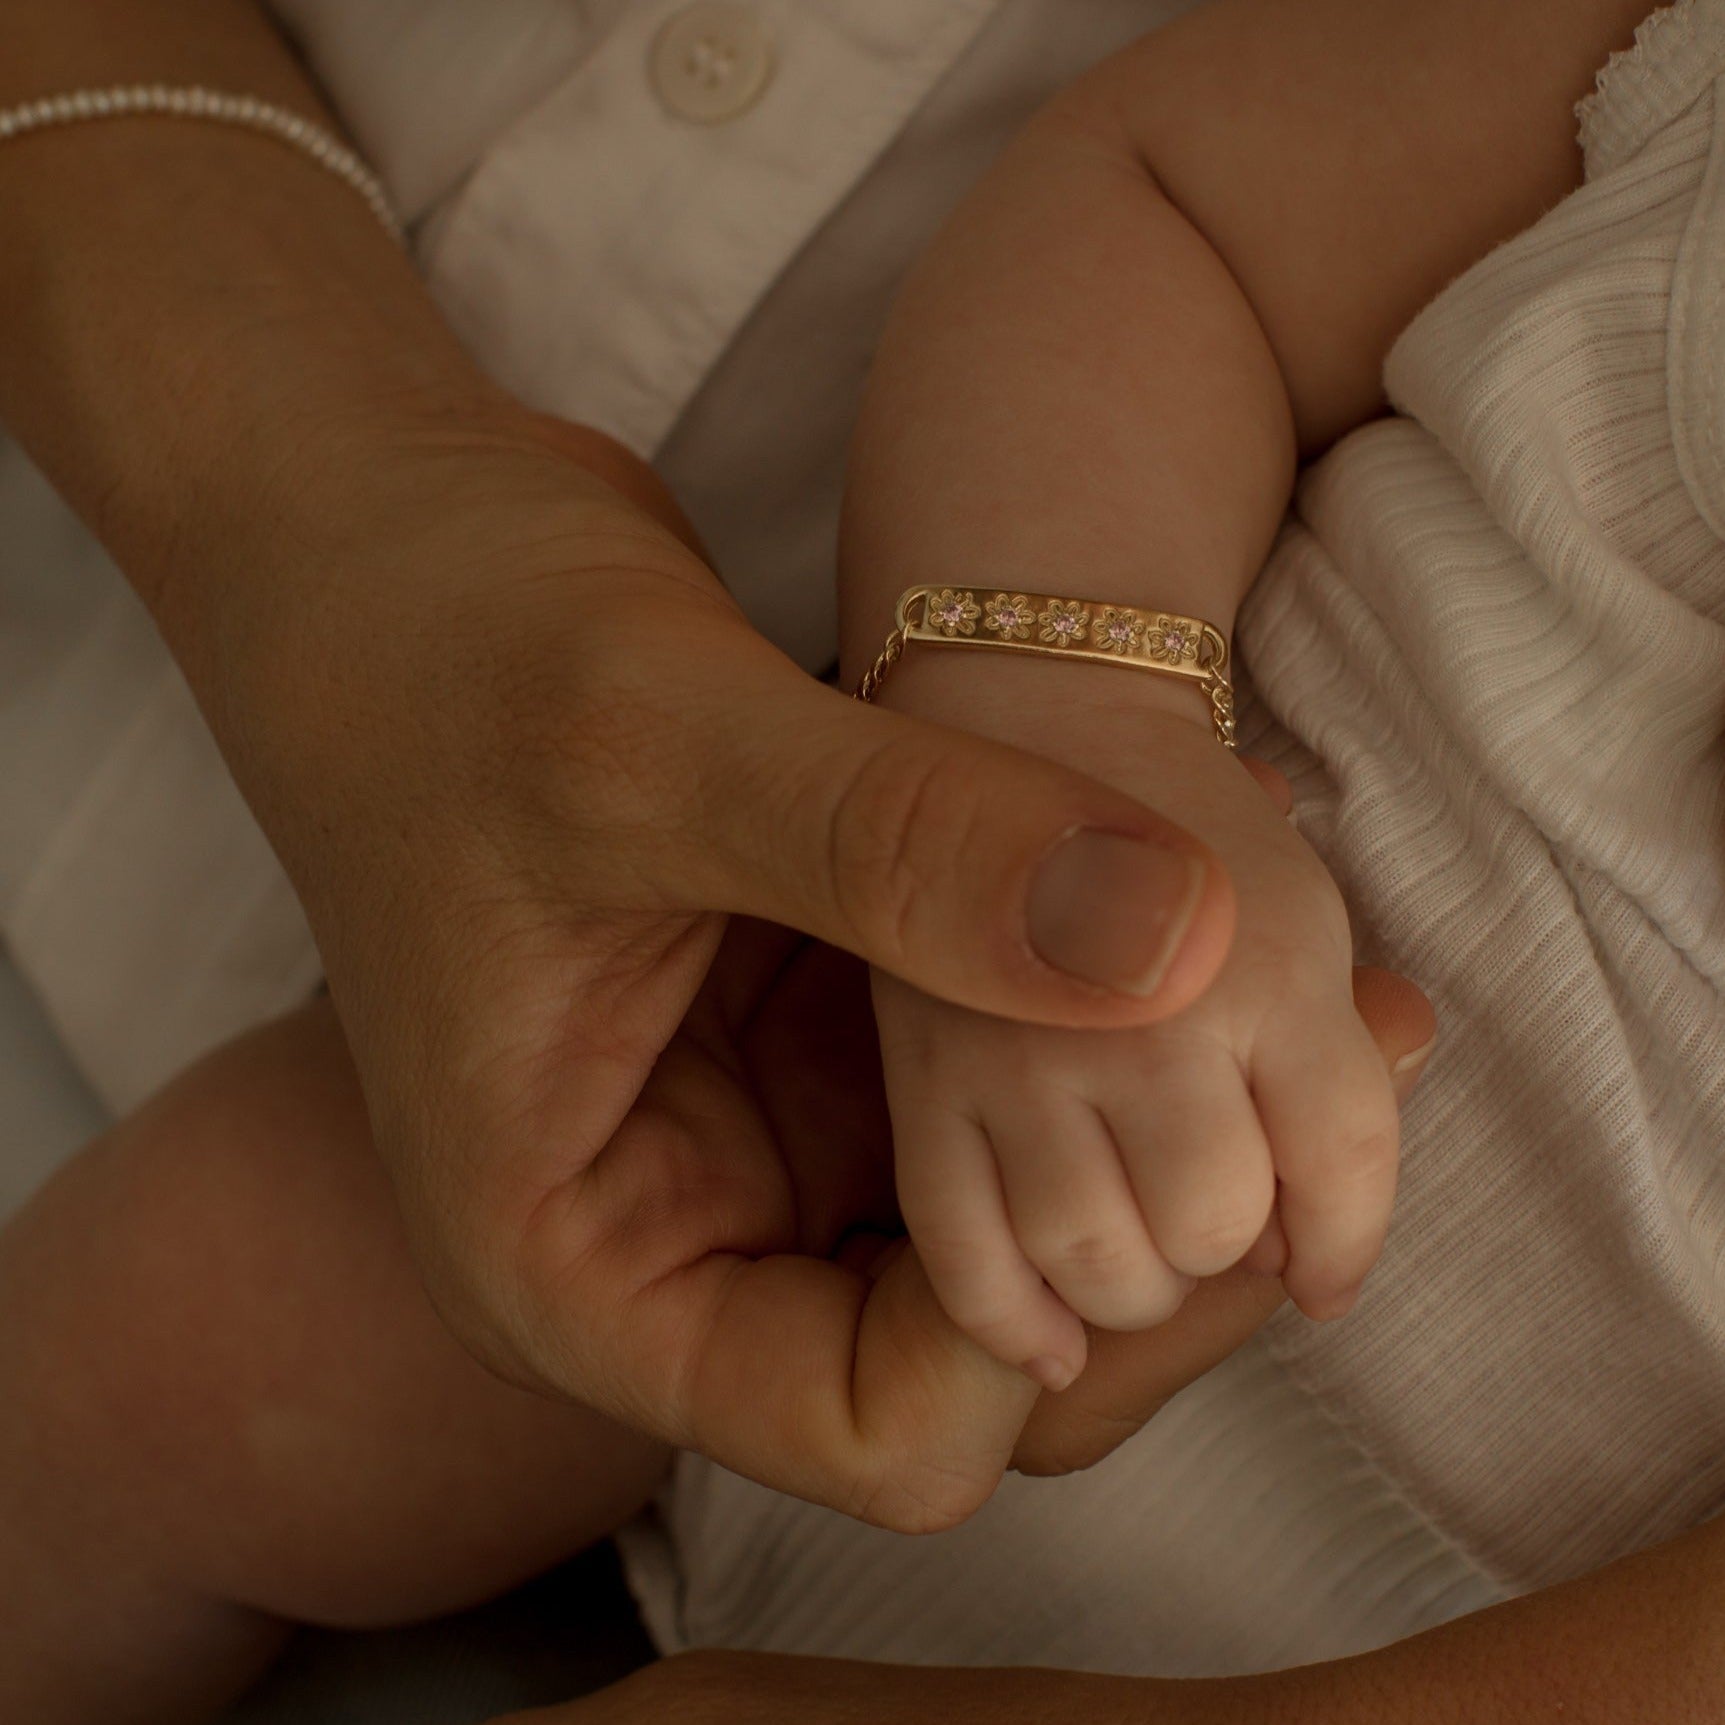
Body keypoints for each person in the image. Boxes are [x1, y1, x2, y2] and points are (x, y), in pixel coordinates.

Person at [3, 2, 1721, 1725]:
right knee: (149, 1359)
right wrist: (1072, 732)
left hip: (1495, 1627)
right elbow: (1170, 204)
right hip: (835, 1078)